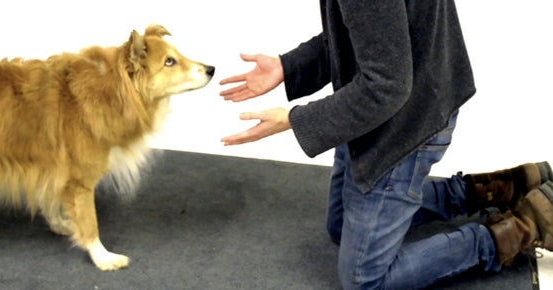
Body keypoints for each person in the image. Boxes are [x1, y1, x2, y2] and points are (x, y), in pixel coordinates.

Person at [218, 1, 553, 289]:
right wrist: (287, 67)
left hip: (405, 124)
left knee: (365, 279)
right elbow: (373, 37)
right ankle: (498, 189)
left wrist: (294, 119)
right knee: (340, 226)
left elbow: (386, 87)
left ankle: (526, 223)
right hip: (415, 93)